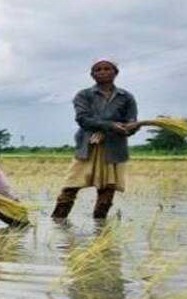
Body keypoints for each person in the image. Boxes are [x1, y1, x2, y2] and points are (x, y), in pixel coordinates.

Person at [50, 60, 142, 220]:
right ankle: (58, 222)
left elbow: (131, 124)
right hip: (88, 145)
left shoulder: (126, 97)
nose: (103, 72)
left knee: (107, 189)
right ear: (92, 75)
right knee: (71, 186)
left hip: (114, 148)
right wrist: (110, 126)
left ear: (115, 73)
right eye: (98, 70)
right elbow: (83, 119)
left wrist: (119, 130)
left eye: (107, 69)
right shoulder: (84, 95)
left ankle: (100, 228)